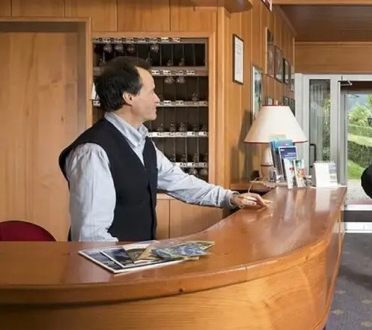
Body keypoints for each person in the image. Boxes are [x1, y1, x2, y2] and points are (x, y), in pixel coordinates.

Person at [59, 56, 266, 242]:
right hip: (108, 268)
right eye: (151, 92)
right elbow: (91, 236)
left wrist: (230, 198)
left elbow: (179, 182)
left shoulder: (143, 142)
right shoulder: (92, 152)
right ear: (129, 97)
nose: (158, 99)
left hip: (136, 262)